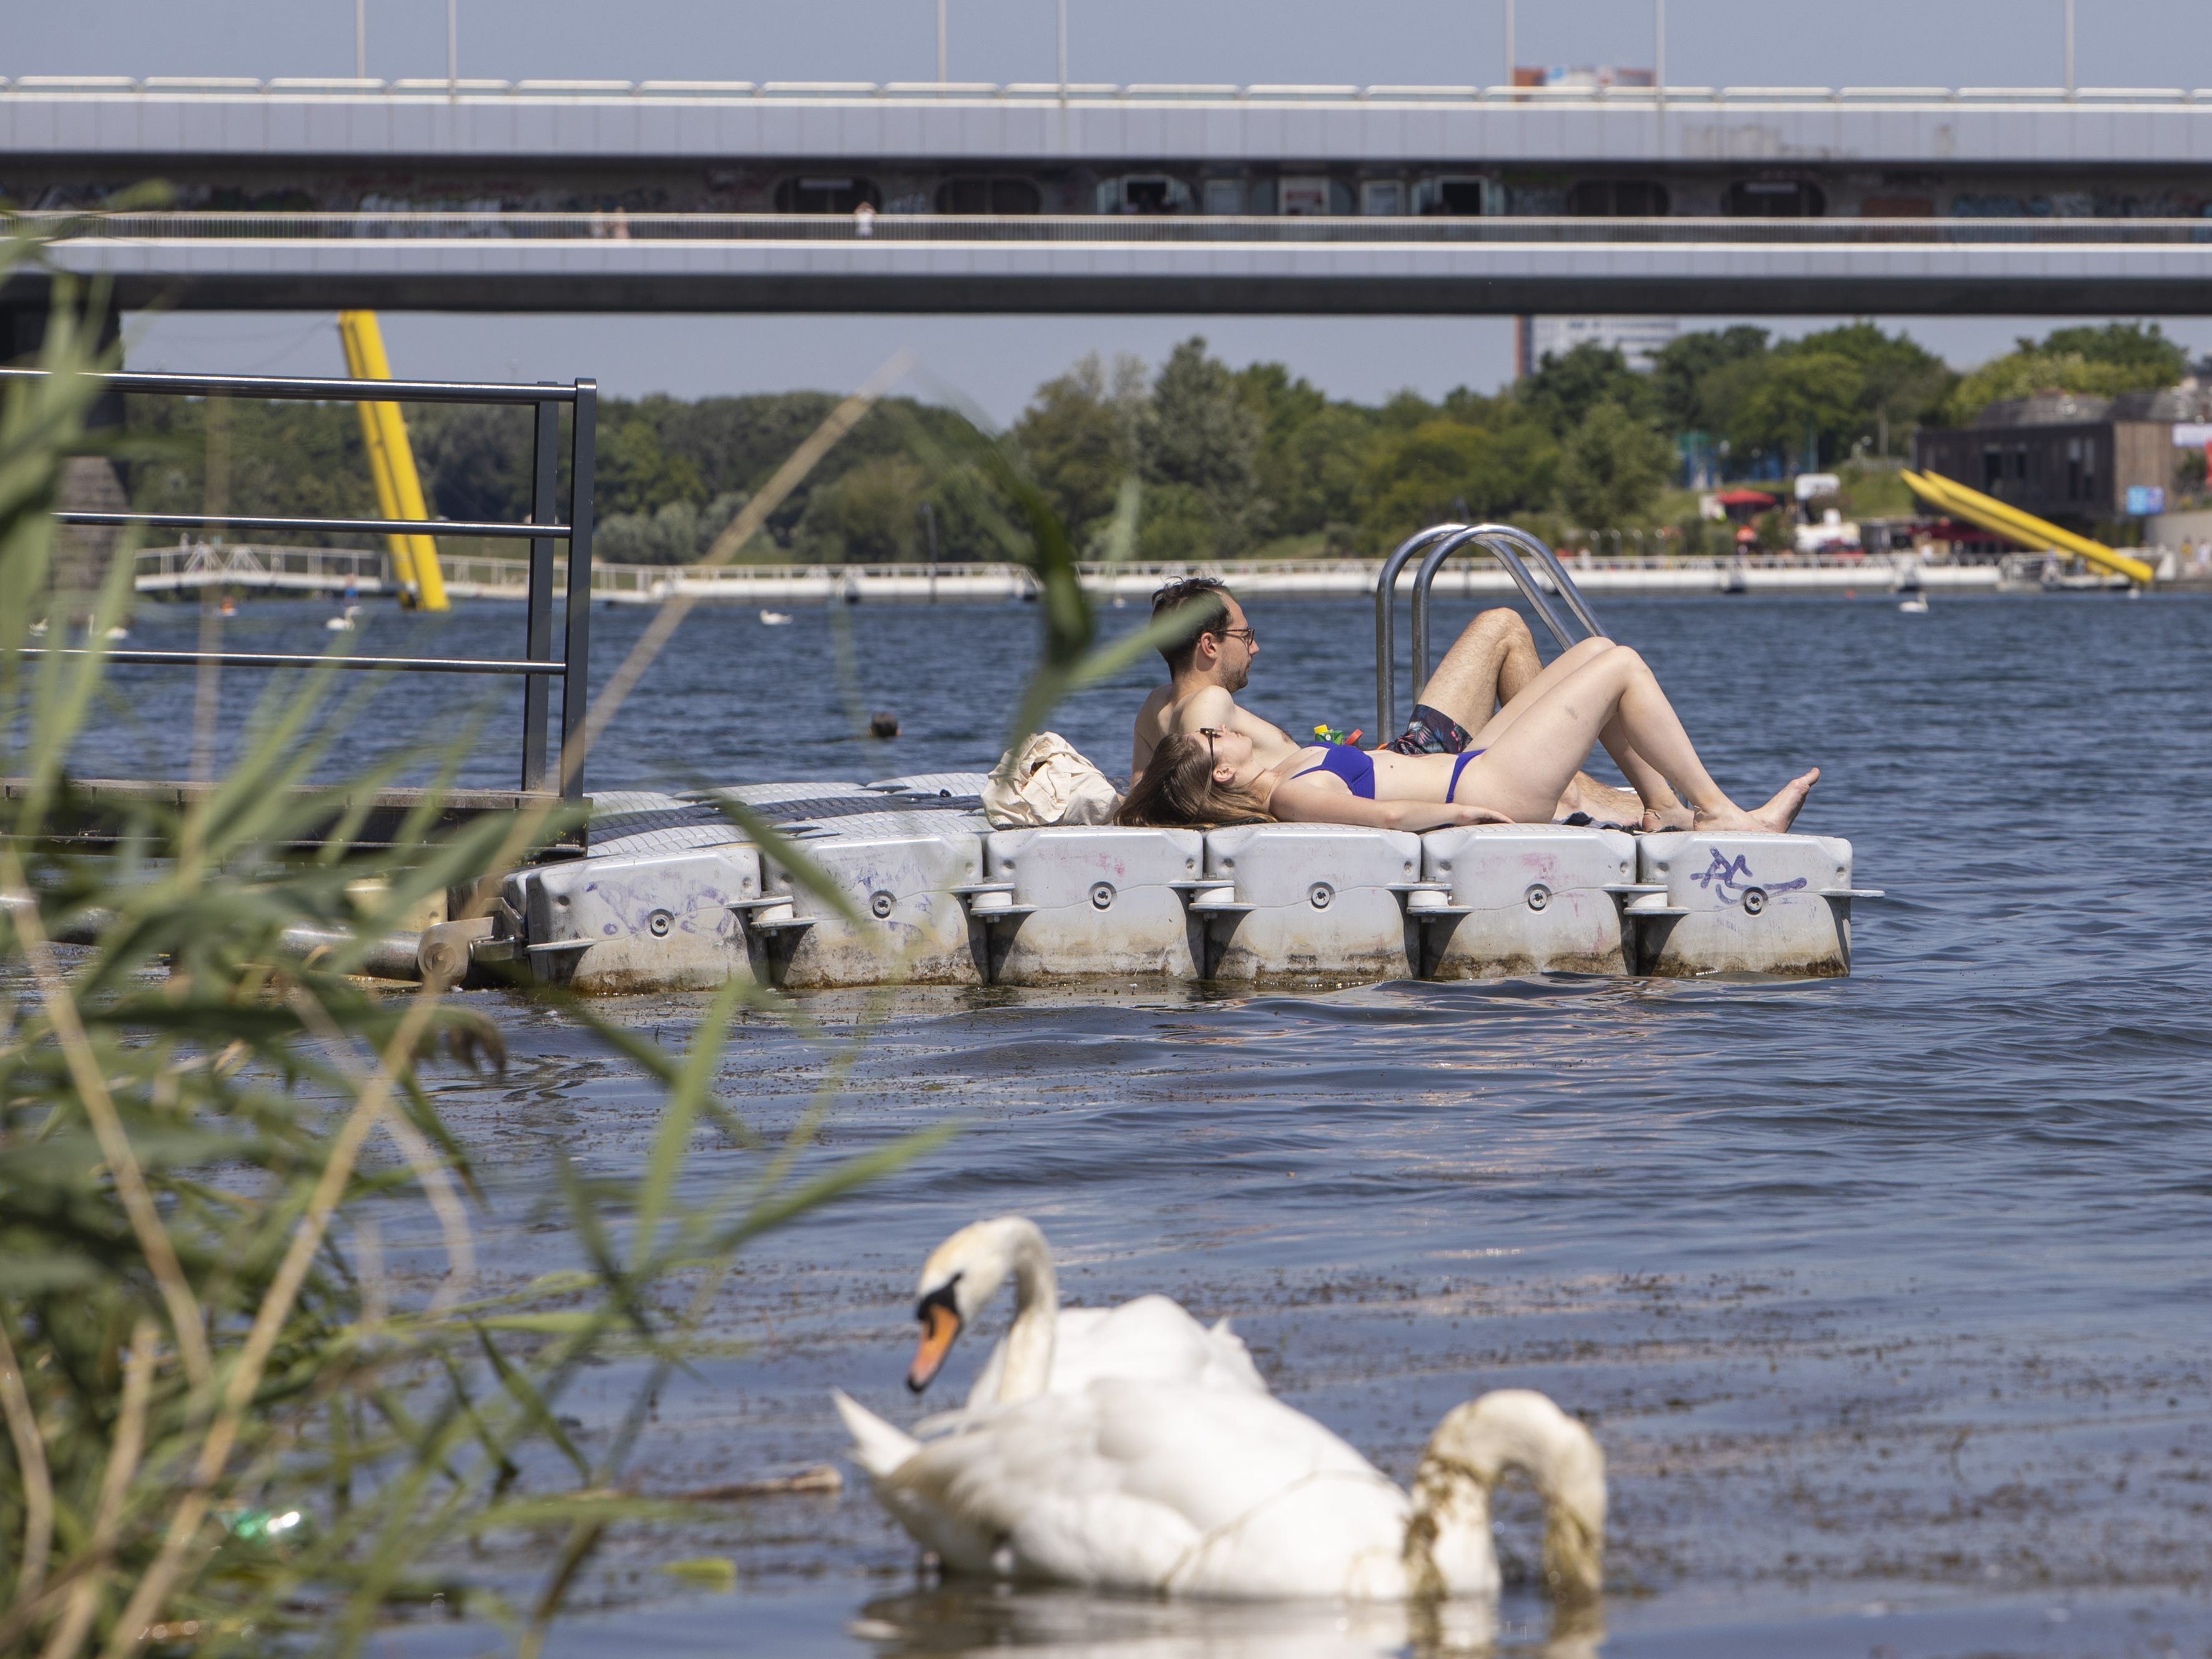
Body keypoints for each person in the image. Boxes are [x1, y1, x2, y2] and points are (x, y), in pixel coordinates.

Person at [1119, 636, 1817, 834]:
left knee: (1597, 652)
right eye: (1218, 741)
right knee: (1625, 669)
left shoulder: (1285, 776)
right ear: (1226, 776)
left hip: (1477, 764)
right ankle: (1723, 814)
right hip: (1487, 784)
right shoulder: (1294, 797)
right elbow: (1387, 815)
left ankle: (1667, 808)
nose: (1228, 732)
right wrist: (1463, 813)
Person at [1128, 576, 1679, 828]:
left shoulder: (1156, 707)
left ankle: (1586, 791)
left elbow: (1139, 799)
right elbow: (1206, 796)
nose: (1256, 648)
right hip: (1411, 772)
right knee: (1502, 628)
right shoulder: (1208, 715)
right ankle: (1584, 795)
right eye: (1244, 637)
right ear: (1207, 646)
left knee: (1503, 626)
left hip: (1379, 768)